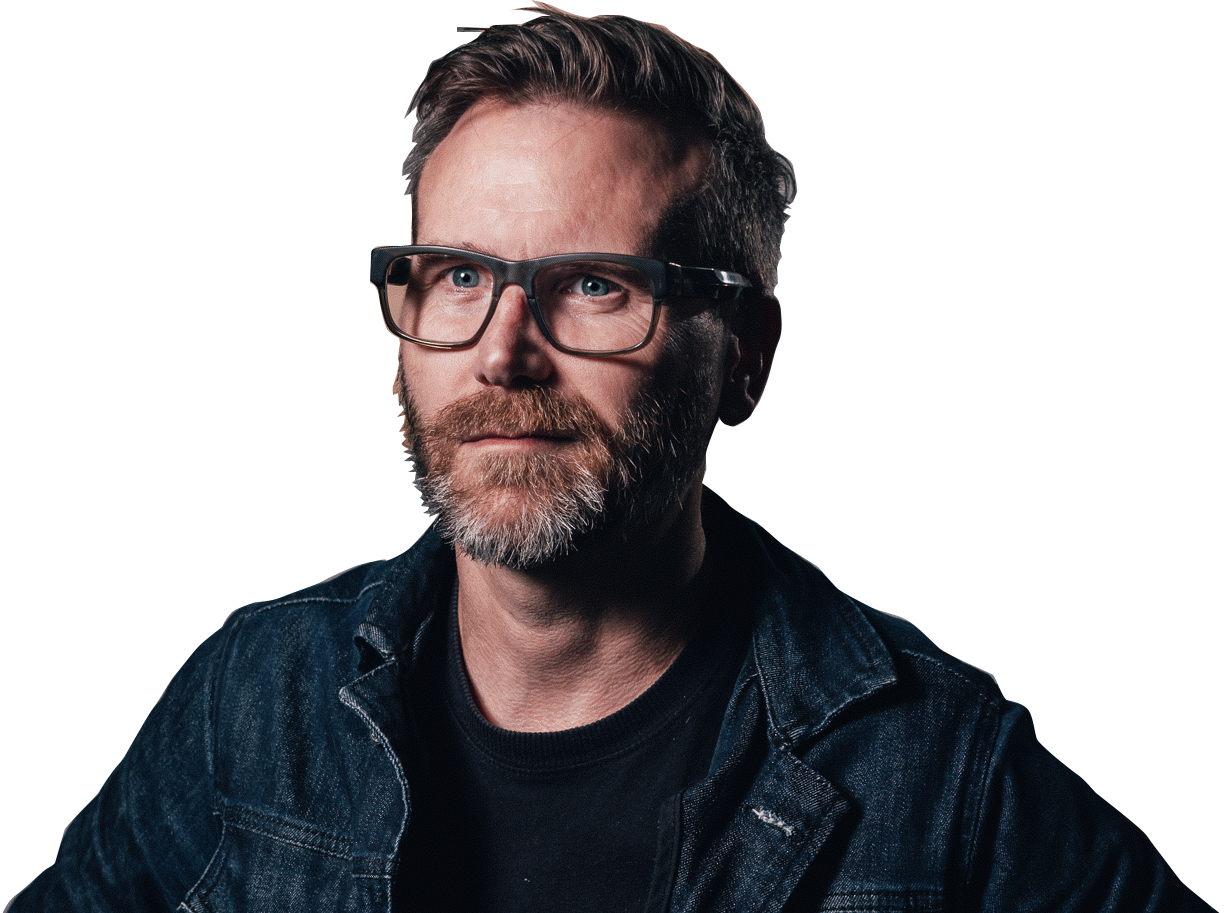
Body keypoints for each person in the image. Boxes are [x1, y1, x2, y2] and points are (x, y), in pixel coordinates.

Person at [12, 11, 1208, 913]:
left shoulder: (944, 776)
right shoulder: (256, 700)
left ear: (741, 356)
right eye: (459, 276)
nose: (502, 354)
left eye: (593, 284)